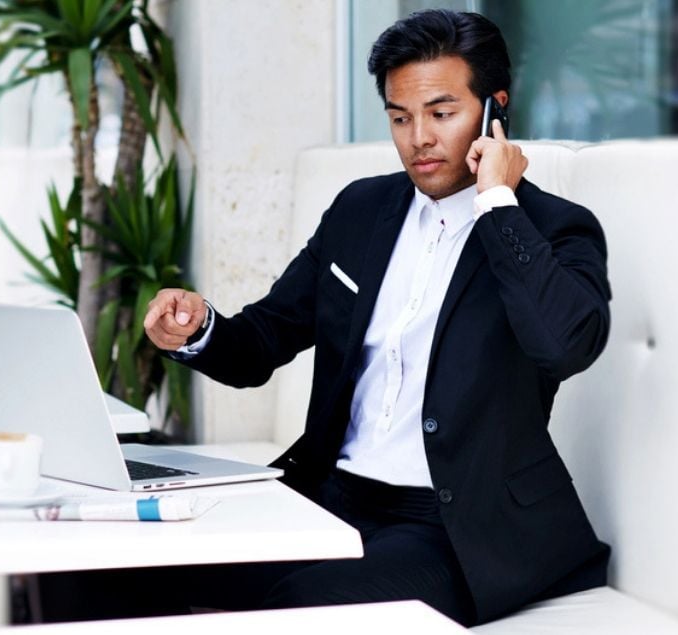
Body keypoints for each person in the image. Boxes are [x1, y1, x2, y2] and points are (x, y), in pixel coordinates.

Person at [45, 9, 612, 627]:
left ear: (494, 109)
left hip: (455, 528)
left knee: (299, 608)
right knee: (95, 565)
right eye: (400, 117)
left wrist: (497, 200)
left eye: (442, 114)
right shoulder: (360, 210)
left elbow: (563, 345)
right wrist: (199, 326)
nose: (418, 137)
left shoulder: (553, 228)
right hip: (330, 497)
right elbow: (261, 341)